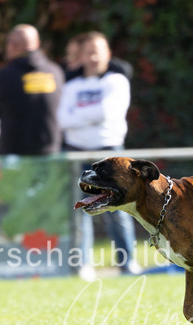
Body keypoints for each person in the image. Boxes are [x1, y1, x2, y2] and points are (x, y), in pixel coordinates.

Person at [57, 31, 140, 277]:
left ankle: (127, 263)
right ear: (80, 56)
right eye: (88, 52)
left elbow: (108, 111)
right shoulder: (70, 85)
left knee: (118, 210)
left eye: (98, 51)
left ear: (108, 54)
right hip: (76, 155)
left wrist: (78, 116)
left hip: (110, 154)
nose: (93, 57)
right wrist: (91, 115)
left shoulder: (116, 81)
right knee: (81, 209)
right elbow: (62, 119)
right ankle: (82, 264)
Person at [0, 25, 64, 156]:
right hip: (51, 155)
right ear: (37, 44)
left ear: (12, 46)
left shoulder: (3, 76)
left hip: (15, 156)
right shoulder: (55, 72)